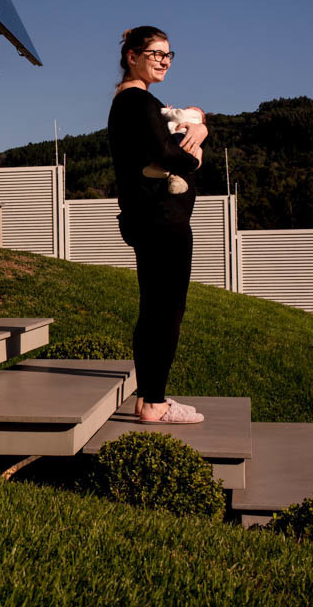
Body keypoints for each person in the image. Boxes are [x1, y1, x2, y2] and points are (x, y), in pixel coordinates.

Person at [107, 26, 208, 424]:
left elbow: (165, 141)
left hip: (153, 220)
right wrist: (195, 154)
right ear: (132, 56)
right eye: (155, 54)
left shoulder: (136, 101)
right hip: (160, 220)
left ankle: (149, 397)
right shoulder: (135, 100)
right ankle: (155, 403)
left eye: (168, 55)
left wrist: (199, 126)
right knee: (166, 311)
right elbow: (165, 152)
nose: (164, 61)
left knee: (155, 308)